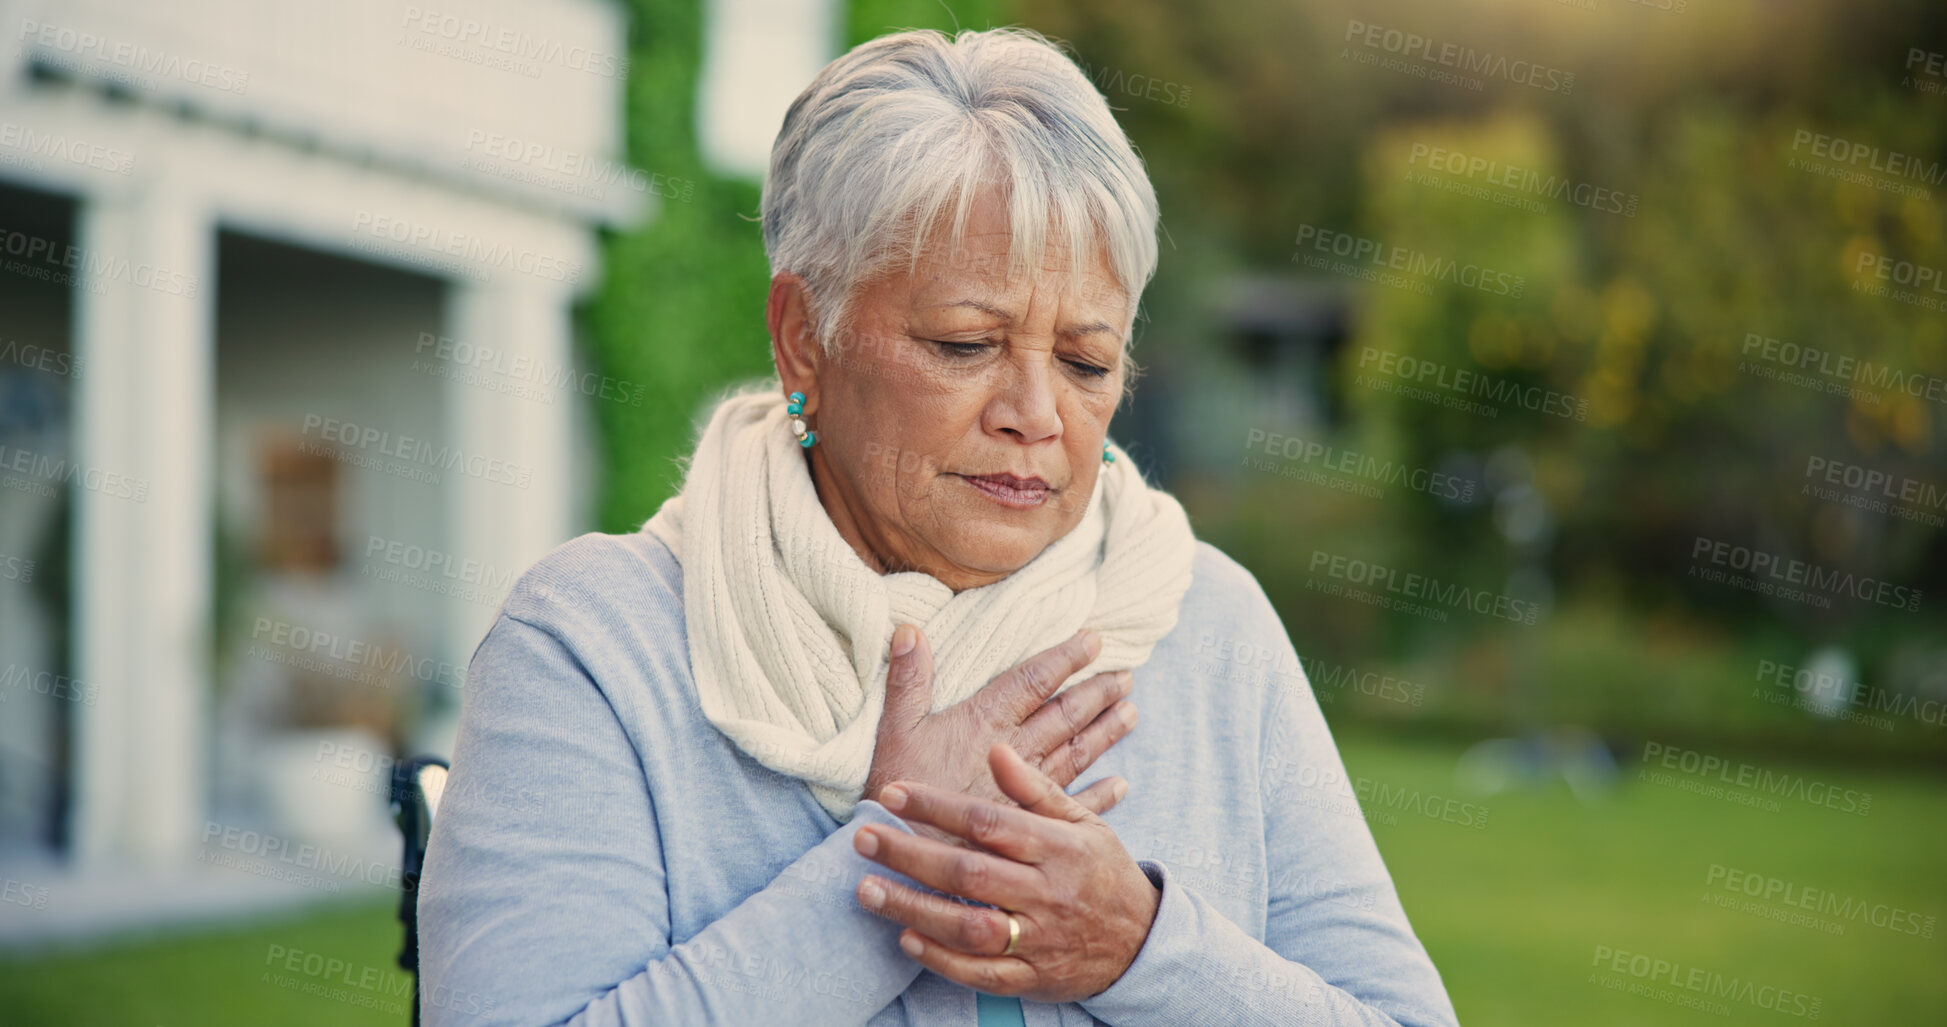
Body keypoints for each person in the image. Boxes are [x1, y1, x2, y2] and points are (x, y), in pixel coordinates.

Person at [418, 26, 1459, 1027]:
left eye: (1088, 361)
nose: (1037, 414)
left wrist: (1140, 944)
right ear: (802, 340)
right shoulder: (594, 644)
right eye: (967, 343)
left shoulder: (1211, 622)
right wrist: (903, 858)